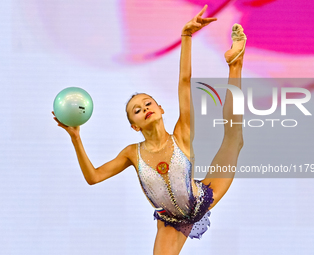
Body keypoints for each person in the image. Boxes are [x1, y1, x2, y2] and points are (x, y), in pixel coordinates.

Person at [52, 4, 245, 255]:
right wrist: (76, 138)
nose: (145, 109)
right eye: (137, 110)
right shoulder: (132, 153)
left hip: (203, 195)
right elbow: (94, 177)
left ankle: (235, 64)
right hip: (172, 221)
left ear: (161, 109)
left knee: (234, 137)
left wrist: (186, 37)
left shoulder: (182, 133)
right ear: (135, 125)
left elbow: (185, 82)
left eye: (148, 103)